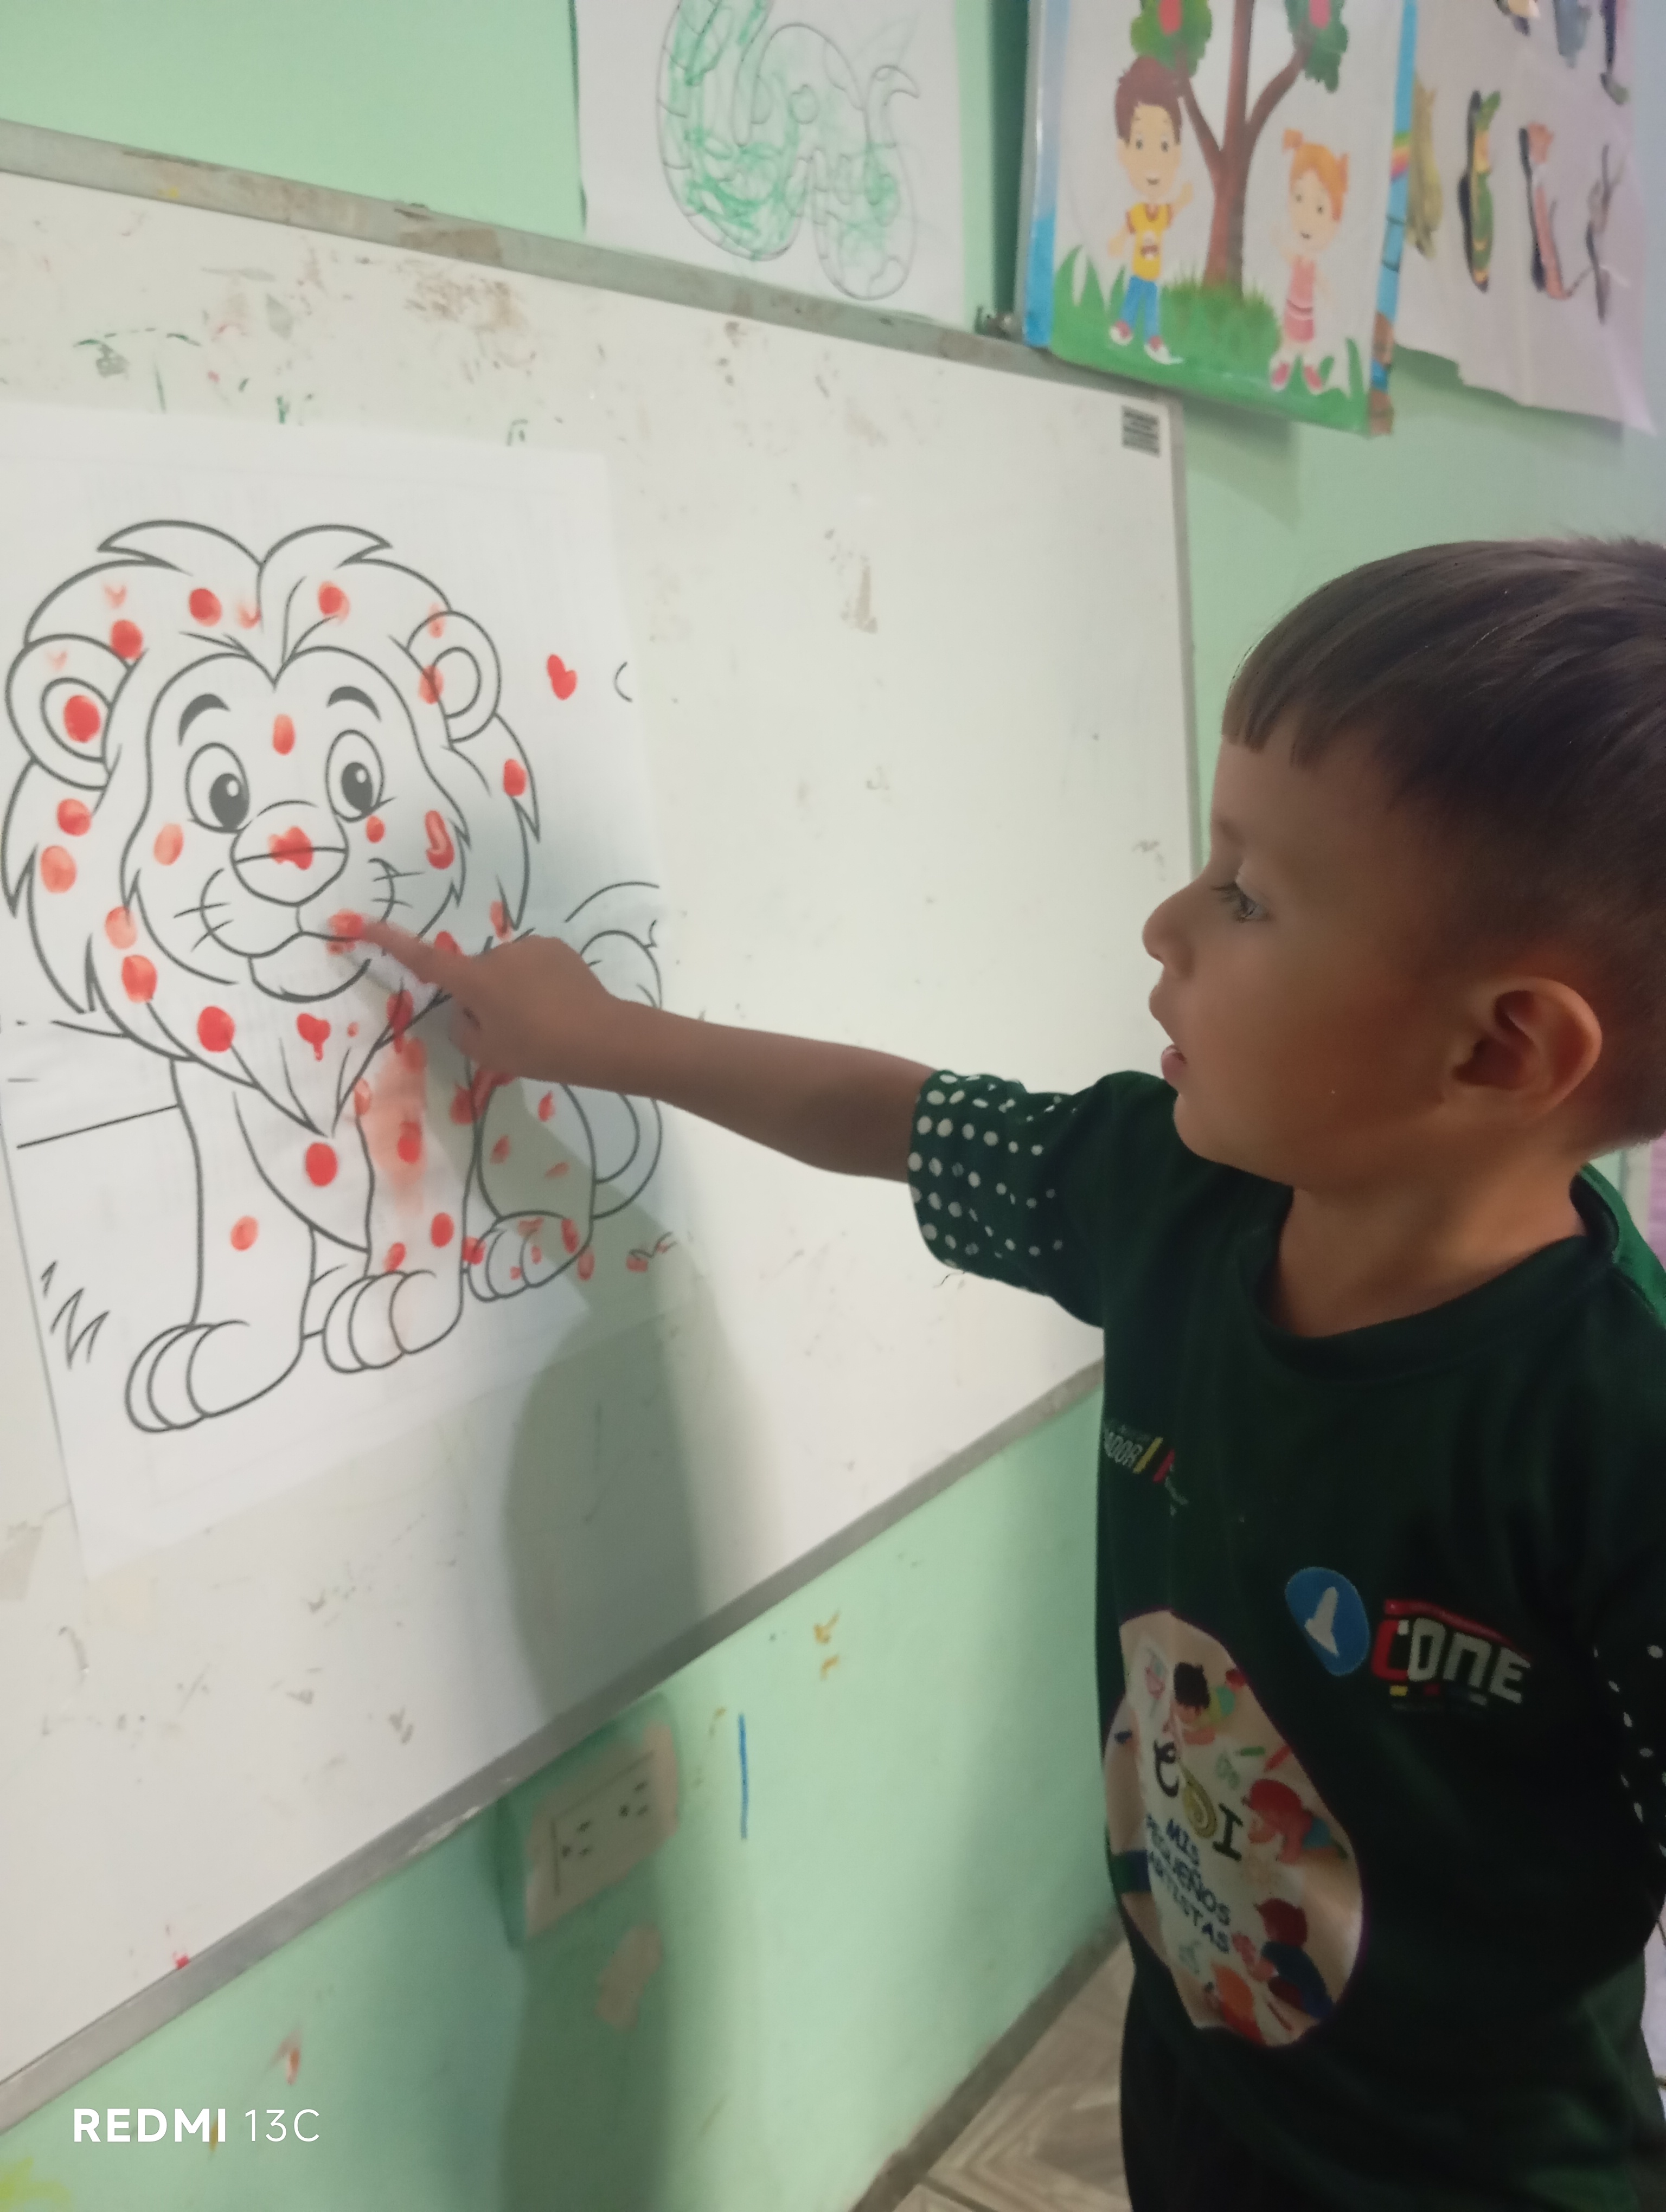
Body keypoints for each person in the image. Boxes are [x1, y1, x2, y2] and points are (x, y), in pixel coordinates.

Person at [366, 537, 1666, 2208]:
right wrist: (595, 1039)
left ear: (1501, 1045)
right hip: (1201, 2074)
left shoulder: (1614, 1439)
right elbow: (892, 1117)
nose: (1165, 923)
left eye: (1248, 895)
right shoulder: (1166, 1195)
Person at [1107, 55, 1193, 367]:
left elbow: (1172, 212)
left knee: (1152, 306)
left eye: (1165, 144)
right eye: (1141, 143)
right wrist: (1118, 240)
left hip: (1153, 274)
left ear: (1177, 153)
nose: (1155, 160)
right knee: (1133, 298)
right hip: (1138, 272)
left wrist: (1183, 199)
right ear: (1124, 151)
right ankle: (1124, 325)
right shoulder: (1140, 213)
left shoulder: (1160, 214)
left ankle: (1153, 337)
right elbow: (1128, 228)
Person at [1270, 130, 1349, 395]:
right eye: (1299, 198)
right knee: (1289, 341)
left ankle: (1308, 369)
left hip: (1306, 312)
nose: (1306, 218)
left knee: (1306, 343)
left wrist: (1330, 295)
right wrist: (1278, 241)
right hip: (1293, 309)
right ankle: (1284, 367)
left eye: (1320, 208)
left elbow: (1322, 282)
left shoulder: (1312, 265)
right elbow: (1287, 255)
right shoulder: (1298, 260)